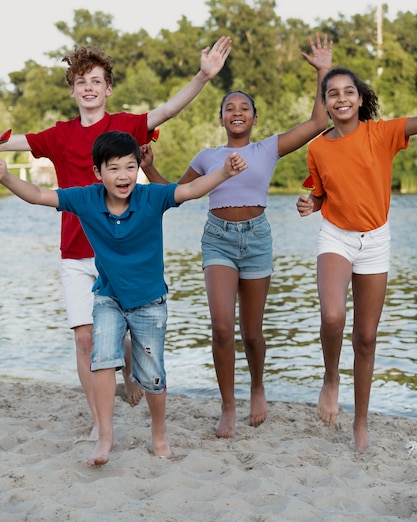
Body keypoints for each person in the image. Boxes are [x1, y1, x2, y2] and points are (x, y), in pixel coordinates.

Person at [0, 36, 231, 440]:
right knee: (86, 339)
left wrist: (204, 76)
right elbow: (15, 143)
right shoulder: (59, 135)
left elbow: (168, 109)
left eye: (96, 81)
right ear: (72, 90)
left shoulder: (124, 125)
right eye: (81, 81)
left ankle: (125, 350)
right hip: (77, 253)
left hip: (124, 254)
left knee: (122, 331)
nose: (88, 87)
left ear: (108, 89)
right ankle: (98, 421)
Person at [0, 130, 247, 465]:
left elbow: (189, 190)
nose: (123, 176)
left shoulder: (151, 198)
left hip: (150, 302)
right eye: (113, 168)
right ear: (97, 173)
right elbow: (40, 195)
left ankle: (159, 435)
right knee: (102, 360)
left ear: (138, 169)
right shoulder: (86, 199)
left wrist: (224, 173)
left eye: (130, 167)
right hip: (108, 298)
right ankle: (105, 436)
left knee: (152, 375)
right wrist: (6, 177)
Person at [140, 33, 332, 438]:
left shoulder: (268, 149)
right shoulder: (207, 157)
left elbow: (319, 122)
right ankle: (228, 406)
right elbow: (174, 193)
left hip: (257, 238)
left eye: (245, 107)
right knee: (222, 327)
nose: (237, 112)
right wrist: (147, 167)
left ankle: (258, 388)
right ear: (221, 118)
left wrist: (323, 72)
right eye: (230, 108)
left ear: (255, 118)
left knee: (252, 332)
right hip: (218, 239)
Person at [296, 66, 417, 451]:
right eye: (333, 93)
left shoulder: (382, 133)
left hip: (376, 240)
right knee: (333, 315)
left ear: (360, 99)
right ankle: (331, 379)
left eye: (349, 92)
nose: (342, 98)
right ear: (326, 104)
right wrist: (309, 203)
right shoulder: (317, 147)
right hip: (337, 236)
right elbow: (321, 194)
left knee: (366, 338)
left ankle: (360, 424)